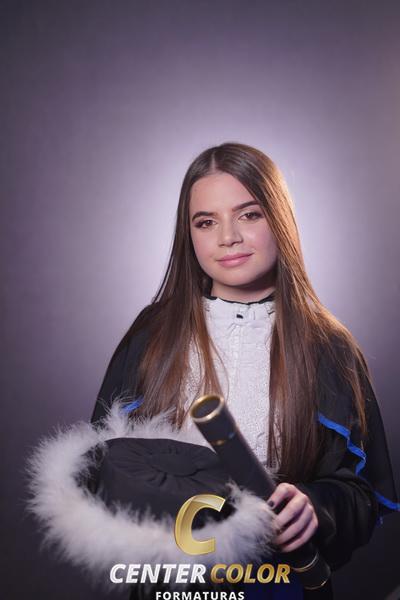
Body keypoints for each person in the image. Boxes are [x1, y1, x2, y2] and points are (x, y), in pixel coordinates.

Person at [91, 142, 399, 599]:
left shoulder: (329, 346)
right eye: (206, 222)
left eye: (249, 214)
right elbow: (101, 466)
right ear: (188, 235)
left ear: (280, 219)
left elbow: (360, 493)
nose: (228, 237)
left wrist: (314, 506)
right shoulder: (152, 333)